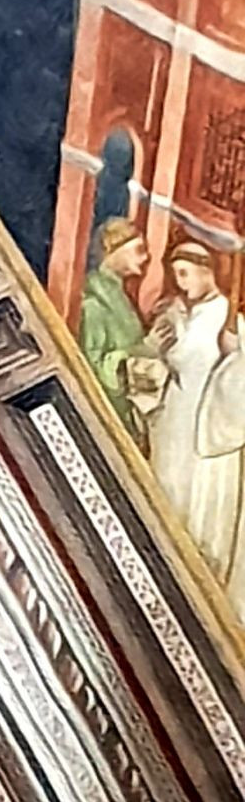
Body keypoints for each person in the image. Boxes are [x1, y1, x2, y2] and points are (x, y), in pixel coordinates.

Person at [140, 241, 242, 577]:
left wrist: (234, 356)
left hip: (205, 429)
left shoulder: (227, 319)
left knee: (197, 506)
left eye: (185, 274)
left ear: (205, 270)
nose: (181, 283)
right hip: (175, 421)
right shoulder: (183, 313)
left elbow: (231, 379)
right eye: (176, 276)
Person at [78, 217, 150, 434]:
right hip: (107, 413)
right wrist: (138, 352)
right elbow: (93, 366)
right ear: (113, 249)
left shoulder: (117, 293)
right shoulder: (94, 300)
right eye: (139, 249)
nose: (146, 258)